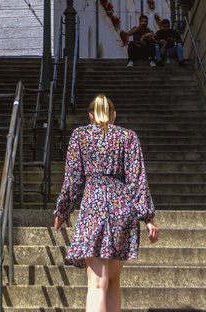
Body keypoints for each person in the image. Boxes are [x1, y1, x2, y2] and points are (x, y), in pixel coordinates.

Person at [54, 94, 158, 312]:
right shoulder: (128, 137)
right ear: (114, 115)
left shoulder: (80, 136)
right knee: (112, 281)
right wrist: (147, 218)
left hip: (94, 206)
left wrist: (63, 211)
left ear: (90, 115)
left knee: (97, 283)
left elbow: (73, 178)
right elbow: (137, 178)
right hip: (123, 207)